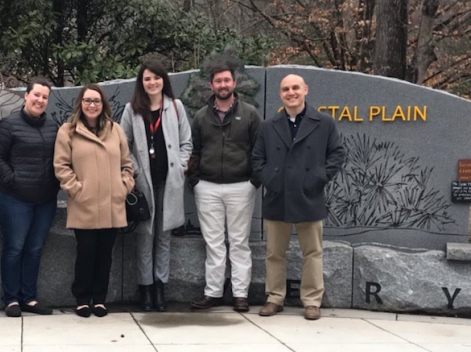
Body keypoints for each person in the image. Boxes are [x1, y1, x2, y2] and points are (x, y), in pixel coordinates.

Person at [251, 73, 346, 321]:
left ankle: (312, 301)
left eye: (295, 88)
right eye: (285, 89)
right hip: (277, 197)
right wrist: (270, 180)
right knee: (274, 253)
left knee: (313, 252)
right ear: (280, 94)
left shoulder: (324, 122)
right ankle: (274, 297)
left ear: (305, 90)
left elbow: (337, 154)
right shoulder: (268, 125)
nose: (290, 92)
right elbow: (257, 159)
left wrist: (318, 178)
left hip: (309, 196)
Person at [187, 61, 262, 312]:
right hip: (207, 187)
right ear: (212, 85)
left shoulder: (249, 113)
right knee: (213, 243)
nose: (222, 85)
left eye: (226, 80)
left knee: (239, 242)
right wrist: (195, 181)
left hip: (241, 186)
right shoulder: (200, 116)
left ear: (234, 83)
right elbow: (194, 150)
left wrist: (254, 181)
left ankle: (241, 294)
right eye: (218, 81)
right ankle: (213, 293)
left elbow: (258, 150)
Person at [54, 85, 134, 317]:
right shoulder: (67, 131)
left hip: (112, 204)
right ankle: (82, 298)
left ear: (103, 105)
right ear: (80, 103)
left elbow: (127, 164)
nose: (92, 105)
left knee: (105, 255)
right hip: (84, 205)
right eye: (88, 100)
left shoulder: (115, 130)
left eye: (97, 101)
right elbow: (61, 166)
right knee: (86, 253)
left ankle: (100, 299)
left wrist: (123, 186)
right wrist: (76, 190)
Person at [120, 58, 192, 312]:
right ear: (141, 82)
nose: (152, 82)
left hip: (169, 181)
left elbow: (187, 142)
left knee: (164, 236)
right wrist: (135, 170)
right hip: (143, 183)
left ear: (164, 80)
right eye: (147, 78)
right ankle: (145, 288)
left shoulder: (176, 107)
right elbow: (123, 144)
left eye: (156, 78)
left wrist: (181, 166)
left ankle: (160, 286)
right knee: (145, 236)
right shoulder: (132, 109)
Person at [0, 79, 60, 317]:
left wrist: (55, 184)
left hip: (45, 200)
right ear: (26, 96)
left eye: (44, 97)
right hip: (14, 198)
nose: (40, 100)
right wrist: (12, 179)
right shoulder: (8, 124)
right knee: (15, 248)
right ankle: (11, 299)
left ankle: (29, 298)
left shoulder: (53, 126)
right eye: (36, 95)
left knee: (35, 249)